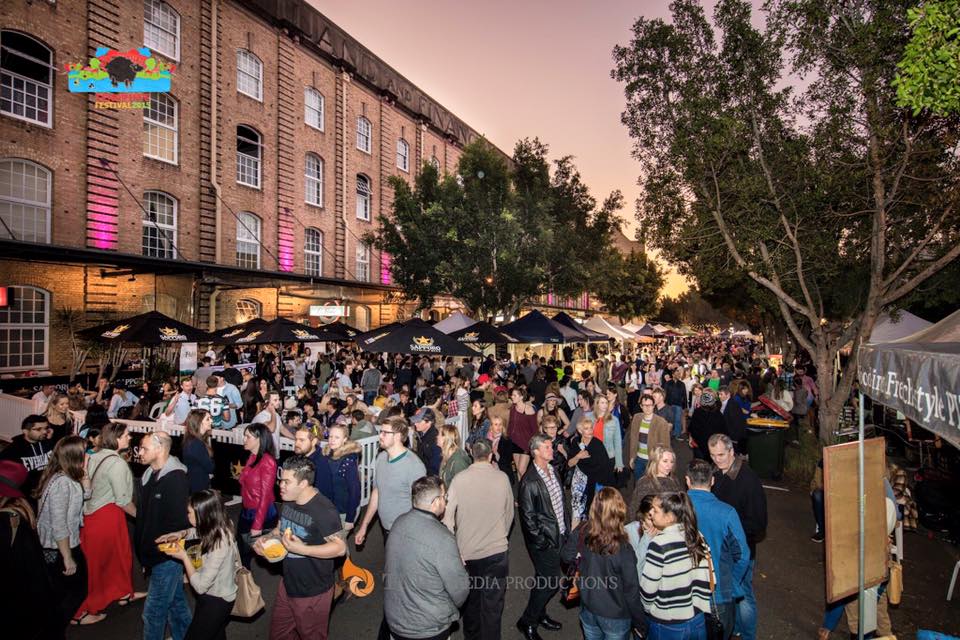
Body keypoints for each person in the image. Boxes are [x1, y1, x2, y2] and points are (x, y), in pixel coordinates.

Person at [253, 456, 347, 640]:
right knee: (278, 635)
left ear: (303, 484)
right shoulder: (289, 500)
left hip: (313, 591)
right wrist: (266, 539)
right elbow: (280, 529)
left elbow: (340, 548)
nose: (280, 485)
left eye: (286, 482)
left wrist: (302, 549)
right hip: (288, 583)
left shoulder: (324, 510)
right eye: (281, 480)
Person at [443, 439, 514, 640]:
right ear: (491, 455)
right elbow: (509, 514)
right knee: (493, 606)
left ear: (471, 455)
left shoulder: (459, 480)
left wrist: (454, 547)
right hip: (497, 552)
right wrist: (500, 535)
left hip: (468, 553)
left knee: (472, 603)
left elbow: (447, 518)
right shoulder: (502, 478)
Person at [384, 475, 470, 640]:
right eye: (444, 497)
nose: (446, 501)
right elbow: (460, 590)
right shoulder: (442, 538)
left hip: (396, 621)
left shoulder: (398, 523)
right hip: (427, 628)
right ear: (436, 502)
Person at [561, 487, 647, 640]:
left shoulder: (583, 530)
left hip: (588, 607)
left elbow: (566, 556)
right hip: (615, 616)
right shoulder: (624, 549)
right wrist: (640, 624)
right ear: (620, 511)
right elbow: (631, 592)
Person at [77, 422, 142, 622]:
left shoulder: (92, 455)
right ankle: (83, 611)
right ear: (116, 439)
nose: (130, 437)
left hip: (92, 516)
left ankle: (123, 592)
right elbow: (123, 500)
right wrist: (143, 518)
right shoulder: (117, 463)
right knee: (103, 563)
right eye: (126, 435)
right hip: (107, 516)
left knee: (113, 559)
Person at [135, 431, 193, 640]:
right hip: (154, 554)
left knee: (153, 613)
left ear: (160, 449)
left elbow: (179, 524)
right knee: (176, 604)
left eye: (144, 448)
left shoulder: (176, 479)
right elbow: (145, 518)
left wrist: (157, 552)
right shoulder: (148, 474)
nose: (140, 452)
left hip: (166, 557)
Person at [158, 490, 238, 640]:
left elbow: (200, 587)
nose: (187, 515)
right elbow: (199, 532)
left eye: (189, 512)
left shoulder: (219, 544)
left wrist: (184, 557)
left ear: (202, 515)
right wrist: (181, 534)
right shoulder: (221, 524)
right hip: (215, 596)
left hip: (217, 601)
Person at [709, 433, 767, 640]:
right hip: (722, 550)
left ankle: (748, 635)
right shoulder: (716, 472)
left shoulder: (748, 480)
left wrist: (730, 531)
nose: (717, 460)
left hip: (741, 551)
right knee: (729, 594)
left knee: (743, 595)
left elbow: (759, 523)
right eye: (713, 455)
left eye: (721, 455)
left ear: (731, 452)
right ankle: (735, 629)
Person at [686, 459, 750, 639]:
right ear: (712, 481)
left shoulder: (675, 509)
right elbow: (743, 555)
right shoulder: (727, 512)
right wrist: (732, 583)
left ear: (687, 480)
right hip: (718, 594)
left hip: (683, 594)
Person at [517, 433, 570, 640]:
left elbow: (561, 502)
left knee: (544, 580)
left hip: (560, 534)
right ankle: (528, 621)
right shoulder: (529, 481)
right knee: (550, 582)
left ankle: (540, 614)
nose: (552, 449)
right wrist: (543, 542)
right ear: (536, 452)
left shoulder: (553, 470)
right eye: (547, 447)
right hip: (545, 542)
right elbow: (528, 519)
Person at [35, 435, 91, 630]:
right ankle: (53, 630)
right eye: (85, 452)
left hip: (65, 543)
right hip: (59, 546)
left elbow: (85, 496)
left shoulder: (66, 476)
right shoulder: (61, 482)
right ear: (75, 456)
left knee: (67, 592)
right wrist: (67, 557)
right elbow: (59, 524)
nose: (89, 455)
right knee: (74, 592)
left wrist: (85, 477)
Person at [640, 492, 712, 640]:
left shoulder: (659, 544)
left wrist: (650, 610)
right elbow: (710, 578)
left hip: (668, 625)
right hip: (698, 620)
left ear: (669, 517)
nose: (651, 513)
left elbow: (648, 590)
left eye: (655, 510)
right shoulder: (698, 536)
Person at [354, 416, 426, 546]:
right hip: (386, 529)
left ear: (398, 436)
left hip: (406, 533)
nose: (380, 436)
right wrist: (364, 525)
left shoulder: (414, 466)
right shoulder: (381, 458)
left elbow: (422, 506)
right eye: (380, 432)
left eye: (385, 433)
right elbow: (377, 492)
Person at [236, 423, 278, 568]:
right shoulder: (253, 456)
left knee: (267, 552)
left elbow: (265, 496)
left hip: (261, 514)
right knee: (243, 550)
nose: (244, 439)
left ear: (259, 439)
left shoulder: (268, 462)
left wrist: (257, 524)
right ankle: (244, 576)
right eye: (244, 436)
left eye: (248, 437)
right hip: (247, 510)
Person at [568, 417, 614, 527]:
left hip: (595, 481)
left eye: (591, 428)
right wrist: (578, 456)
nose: (590, 431)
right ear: (580, 431)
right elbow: (570, 463)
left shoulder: (597, 444)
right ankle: (574, 533)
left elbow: (605, 466)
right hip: (579, 480)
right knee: (576, 510)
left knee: (595, 511)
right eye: (586, 428)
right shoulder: (575, 442)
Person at [0, 414, 53, 500]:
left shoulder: (48, 443)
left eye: (46, 428)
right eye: (38, 429)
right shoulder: (14, 449)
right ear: (25, 431)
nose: (44, 432)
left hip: (48, 486)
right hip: (27, 493)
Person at [325, 423, 361, 528]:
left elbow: (355, 491)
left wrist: (349, 518)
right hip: (328, 508)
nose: (332, 440)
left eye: (337, 437)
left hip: (343, 511)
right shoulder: (327, 455)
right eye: (330, 436)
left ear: (344, 439)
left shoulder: (348, 460)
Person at [629, 446, 682, 516]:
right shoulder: (645, 483)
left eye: (671, 462)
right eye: (665, 461)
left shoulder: (674, 480)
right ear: (655, 462)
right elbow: (635, 509)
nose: (669, 465)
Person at [627, 395, 671, 479]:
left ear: (654, 406)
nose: (647, 408)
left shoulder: (661, 422)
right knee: (638, 483)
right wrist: (632, 457)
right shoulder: (636, 418)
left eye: (650, 405)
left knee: (652, 484)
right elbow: (633, 439)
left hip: (653, 460)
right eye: (644, 405)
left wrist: (662, 463)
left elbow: (665, 445)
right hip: (638, 459)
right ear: (641, 406)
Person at [292, 426, 335, 504]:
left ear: (314, 441)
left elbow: (323, 496)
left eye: (301, 440)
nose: (296, 444)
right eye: (296, 439)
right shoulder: (301, 456)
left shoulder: (320, 464)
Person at [508, 388, 539, 481]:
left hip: (526, 444)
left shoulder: (529, 410)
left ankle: (527, 488)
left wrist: (535, 445)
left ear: (521, 397)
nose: (512, 397)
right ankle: (521, 489)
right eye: (512, 395)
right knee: (518, 470)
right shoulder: (513, 408)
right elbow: (510, 425)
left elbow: (535, 430)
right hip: (514, 442)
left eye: (514, 395)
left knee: (522, 470)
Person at [625, 494, 657, 581]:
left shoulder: (663, 530)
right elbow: (634, 567)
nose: (655, 522)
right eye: (650, 519)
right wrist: (646, 539)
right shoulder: (629, 531)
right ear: (642, 518)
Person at [182, 409, 215, 493]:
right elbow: (210, 467)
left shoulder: (193, 440)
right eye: (208, 419)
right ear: (199, 422)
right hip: (198, 485)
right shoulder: (196, 443)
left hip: (194, 482)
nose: (211, 421)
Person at [689, 390, 727, 460]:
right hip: (713, 447)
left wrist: (691, 438)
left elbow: (692, 429)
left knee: (700, 464)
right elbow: (724, 431)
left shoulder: (697, 412)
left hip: (700, 446)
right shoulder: (718, 414)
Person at [592, 395, 623, 473]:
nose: (605, 405)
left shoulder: (614, 420)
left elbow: (617, 442)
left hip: (608, 455)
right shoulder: (589, 417)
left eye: (606, 403)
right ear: (597, 404)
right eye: (602, 403)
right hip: (593, 455)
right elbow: (584, 438)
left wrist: (619, 462)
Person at [439, 423, 471, 488]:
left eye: (439, 434)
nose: (437, 436)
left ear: (446, 438)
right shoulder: (446, 455)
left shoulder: (458, 461)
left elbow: (463, 486)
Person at [413, 407, 442, 476]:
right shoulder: (421, 433)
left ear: (429, 422)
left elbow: (435, 468)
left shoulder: (435, 440)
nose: (415, 424)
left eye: (419, 421)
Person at [719, 386, 747, 453]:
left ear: (728, 394)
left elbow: (736, 423)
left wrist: (733, 439)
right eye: (719, 394)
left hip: (733, 436)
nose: (719, 396)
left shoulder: (732, 405)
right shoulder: (724, 402)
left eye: (721, 394)